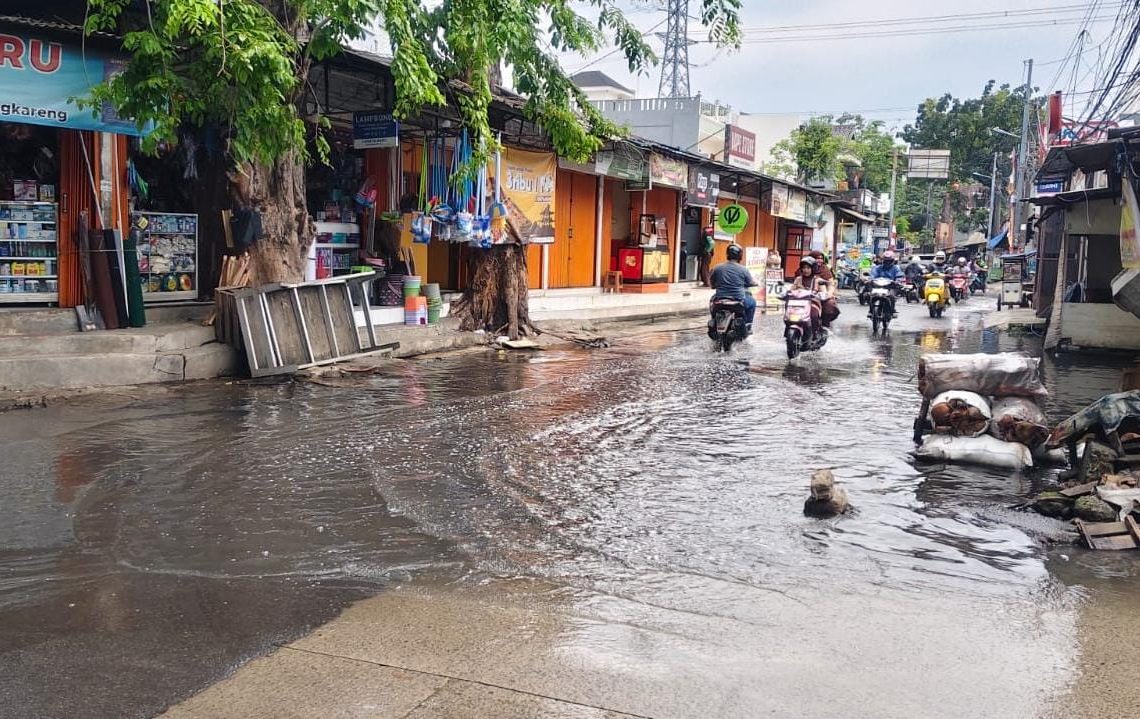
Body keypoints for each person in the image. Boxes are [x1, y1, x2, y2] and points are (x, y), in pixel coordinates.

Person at [710, 244, 757, 331]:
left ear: (727, 254)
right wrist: (755, 283)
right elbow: (751, 282)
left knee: (712, 301)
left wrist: (716, 285)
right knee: (752, 302)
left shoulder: (717, 267)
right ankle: (748, 326)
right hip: (738, 300)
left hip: (720, 300)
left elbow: (712, 283)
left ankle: (713, 320)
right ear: (740, 256)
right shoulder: (743, 269)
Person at [792, 256, 839, 331]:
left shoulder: (817, 280)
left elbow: (824, 290)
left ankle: (815, 332)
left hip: (813, 303)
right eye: (804, 268)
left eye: (808, 268)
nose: (805, 270)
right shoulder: (798, 279)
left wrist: (825, 294)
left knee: (813, 316)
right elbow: (792, 289)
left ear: (813, 269)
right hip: (799, 304)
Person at [870, 249, 904, 317]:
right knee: (872, 296)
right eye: (886, 261)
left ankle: (892, 310)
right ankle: (871, 311)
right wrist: (869, 279)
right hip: (878, 286)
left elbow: (899, 276)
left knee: (891, 296)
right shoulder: (878, 268)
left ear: (892, 261)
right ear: (883, 261)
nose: (887, 262)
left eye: (889, 261)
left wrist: (898, 281)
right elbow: (873, 274)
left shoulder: (896, 268)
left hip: (890, 287)